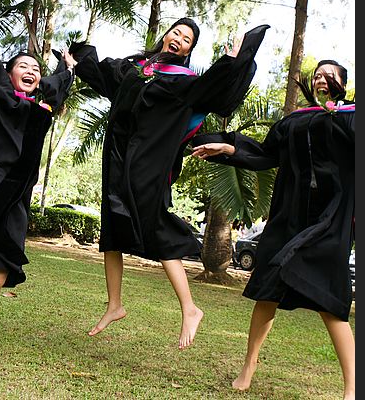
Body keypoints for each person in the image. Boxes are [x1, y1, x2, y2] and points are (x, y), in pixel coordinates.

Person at [62, 18, 269, 349]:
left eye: (187, 39)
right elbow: (105, 76)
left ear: (188, 50)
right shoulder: (136, 67)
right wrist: (77, 61)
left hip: (150, 162)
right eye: (177, 32)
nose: (179, 38)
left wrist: (232, 61)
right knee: (112, 228)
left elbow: (216, 90)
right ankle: (114, 304)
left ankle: (190, 308)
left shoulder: (185, 83)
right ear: (166, 35)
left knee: (155, 226)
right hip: (117, 158)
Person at [192, 60, 355, 399]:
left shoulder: (353, 117)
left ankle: (353, 387)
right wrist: (228, 147)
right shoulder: (293, 120)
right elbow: (266, 154)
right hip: (288, 217)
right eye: (317, 74)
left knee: (330, 302)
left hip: (330, 219)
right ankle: (249, 365)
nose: (321, 78)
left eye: (330, 75)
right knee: (267, 290)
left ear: (343, 83)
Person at [0, 6, 73, 361]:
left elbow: (60, 85)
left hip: (14, 203)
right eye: (23, 65)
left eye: (36, 69)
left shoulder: (40, 109)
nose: (32, 71)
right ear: (8, 72)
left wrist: (66, 68)